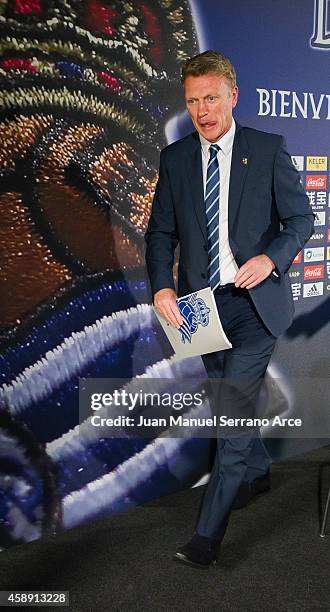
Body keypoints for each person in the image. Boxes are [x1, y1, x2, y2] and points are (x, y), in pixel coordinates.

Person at [145, 50, 314, 569]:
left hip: (256, 305)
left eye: (211, 98)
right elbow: (160, 233)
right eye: (193, 101)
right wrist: (160, 288)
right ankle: (258, 472)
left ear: (232, 96)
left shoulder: (267, 149)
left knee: (233, 416)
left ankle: (207, 536)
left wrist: (270, 258)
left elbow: (301, 220)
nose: (202, 111)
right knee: (226, 402)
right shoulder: (175, 159)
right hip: (198, 307)